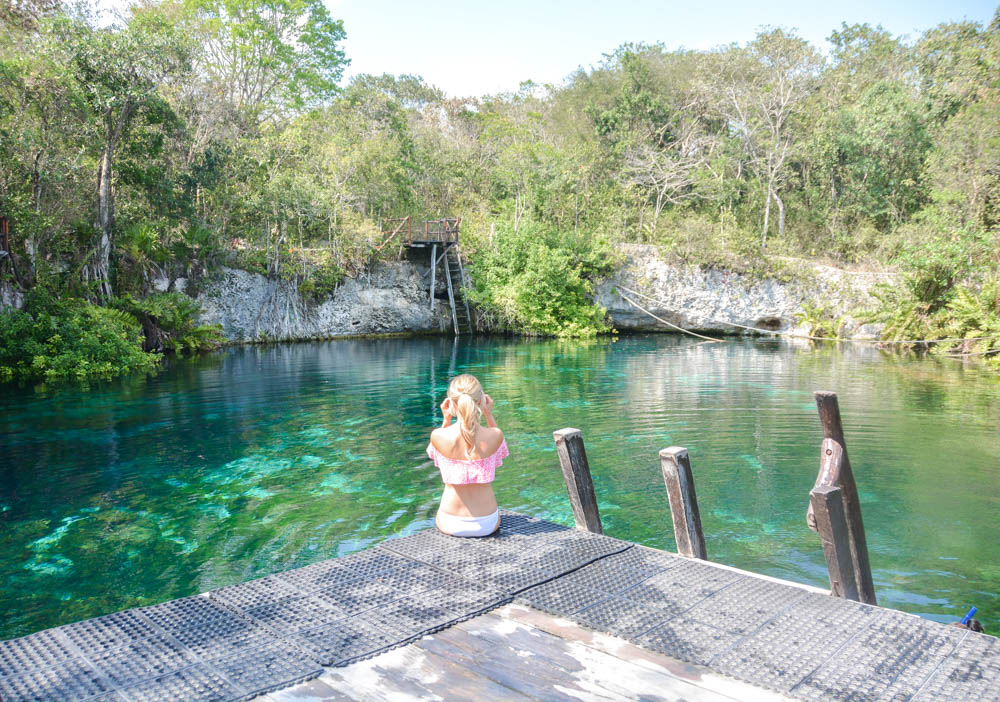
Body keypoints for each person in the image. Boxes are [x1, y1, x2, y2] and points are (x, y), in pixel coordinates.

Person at [427, 374, 507, 537]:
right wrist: (489, 415)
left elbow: (437, 457)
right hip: (487, 523)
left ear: (451, 404)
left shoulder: (438, 436)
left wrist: (446, 419)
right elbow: (500, 449)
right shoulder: (495, 435)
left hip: (450, 522)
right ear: (481, 401)